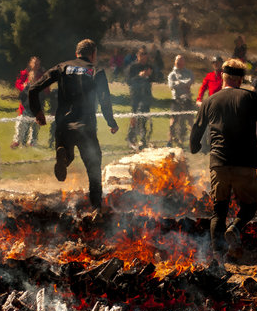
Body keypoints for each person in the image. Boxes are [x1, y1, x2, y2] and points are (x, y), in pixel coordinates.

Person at [190, 58, 257, 263]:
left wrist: (195, 147)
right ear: (240, 79)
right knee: (248, 207)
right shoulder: (251, 97)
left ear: (223, 78)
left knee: (219, 211)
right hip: (245, 162)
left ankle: (218, 258)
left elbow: (197, 128)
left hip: (219, 163)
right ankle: (235, 228)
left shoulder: (211, 100)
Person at [29, 39, 119, 211]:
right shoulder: (96, 71)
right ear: (93, 54)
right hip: (86, 127)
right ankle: (96, 209)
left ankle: (64, 155)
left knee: (66, 155)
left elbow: (33, 89)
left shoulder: (62, 67)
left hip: (63, 125)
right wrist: (111, 121)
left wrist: (38, 113)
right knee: (93, 170)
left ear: (77, 53)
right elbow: (105, 100)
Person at [11, 56, 46, 148]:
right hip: (25, 103)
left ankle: (32, 142)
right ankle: (18, 141)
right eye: (34, 63)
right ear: (30, 64)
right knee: (21, 123)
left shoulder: (42, 74)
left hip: (38, 103)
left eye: (38, 64)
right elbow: (18, 84)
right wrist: (23, 86)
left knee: (35, 125)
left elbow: (46, 89)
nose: (36, 65)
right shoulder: (24, 73)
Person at [126, 48, 154, 149]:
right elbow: (129, 81)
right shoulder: (132, 67)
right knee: (135, 117)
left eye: (145, 57)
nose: (143, 59)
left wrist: (149, 75)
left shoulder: (149, 66)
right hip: (135, 95)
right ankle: (131, 138)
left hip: (146, 96)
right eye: (141, 56)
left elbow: (155, 78)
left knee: (144, 117)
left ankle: (143, 139)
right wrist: (139, 76)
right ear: (138, 56)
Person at [167, 55, 194, 147]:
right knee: (173, 121)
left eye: (181, 60)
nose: (179, 62)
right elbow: (171, 85)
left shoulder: (189, 72)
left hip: (187, 99)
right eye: (178, 61)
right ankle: (170, 141)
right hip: (176, 100)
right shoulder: (172, 74)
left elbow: (190, 81)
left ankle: (194, 140)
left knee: (190, 121)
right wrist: (184, 83)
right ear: (175, 62)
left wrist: (179, 83)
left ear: (184, 62)